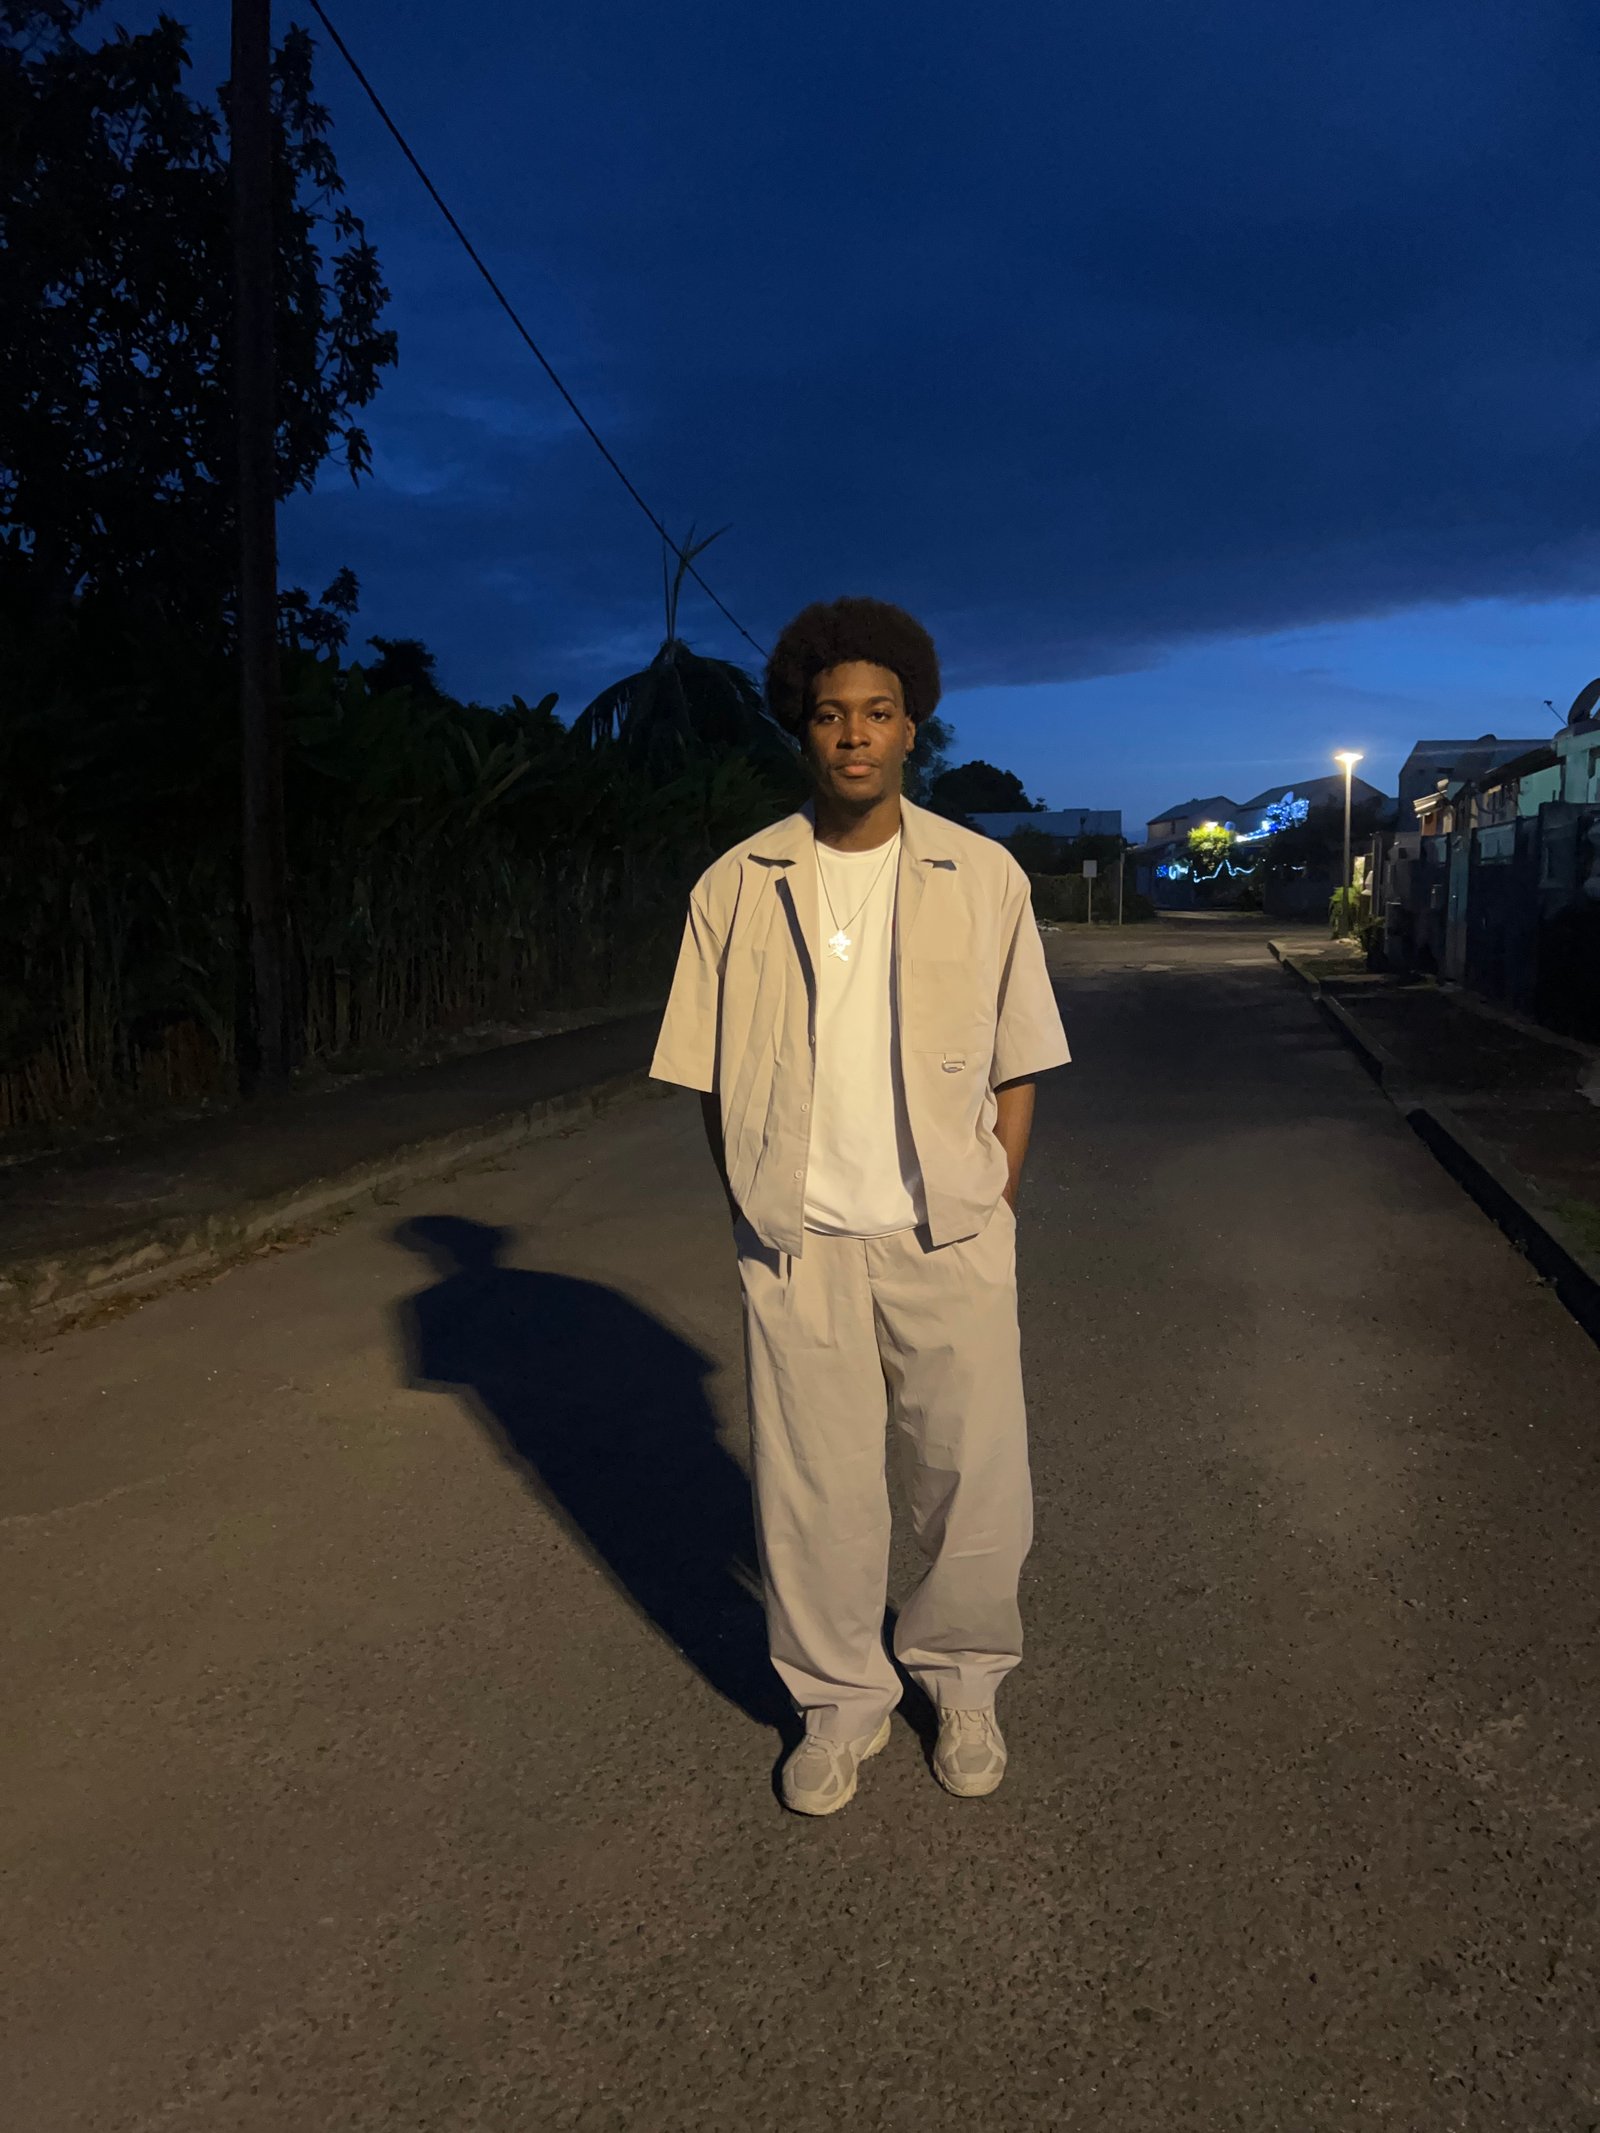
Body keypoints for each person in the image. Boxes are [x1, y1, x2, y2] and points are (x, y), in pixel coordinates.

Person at [649, 595, 1070, 1815]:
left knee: (969, 1480)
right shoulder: (736, 886)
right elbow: (710, 1077)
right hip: (799, 1245)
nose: (854, 735)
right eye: (831, 714)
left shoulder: (980, 876)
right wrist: (752, 1200)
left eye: (877, 713)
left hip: (946, 1232)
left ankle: (964, 1681)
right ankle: (839, 1708)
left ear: (910, 727)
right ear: (803, 728)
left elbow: (1019, 1061)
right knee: (811, 1495)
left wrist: (993, 1196)